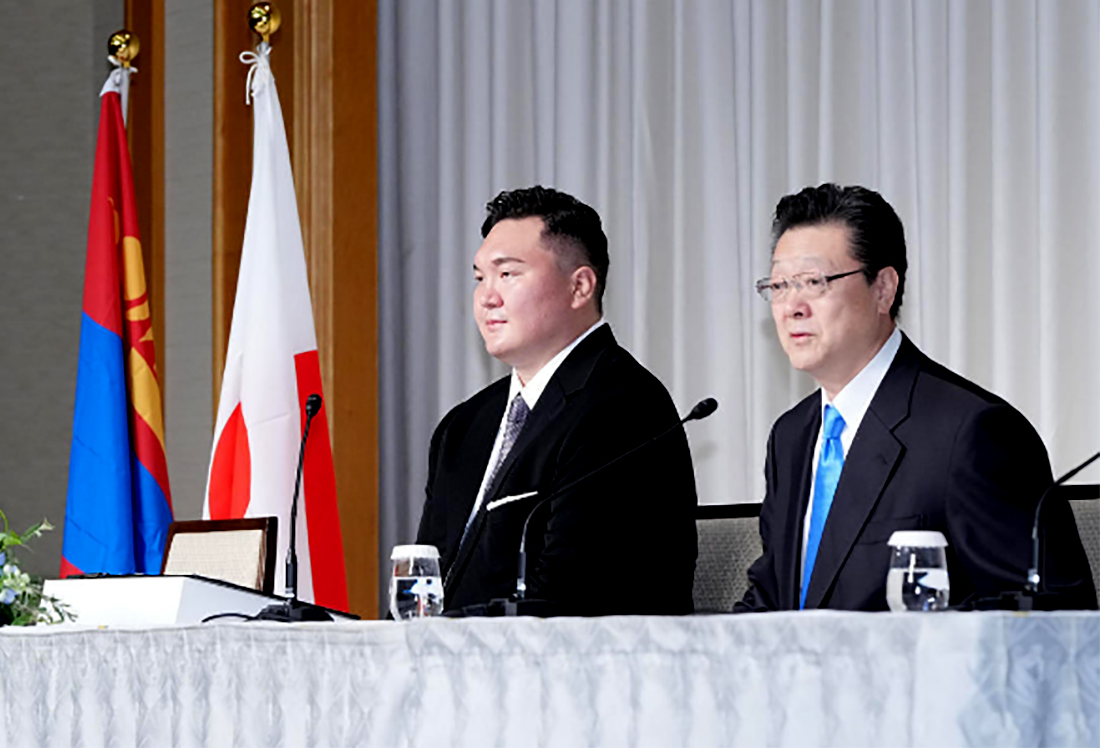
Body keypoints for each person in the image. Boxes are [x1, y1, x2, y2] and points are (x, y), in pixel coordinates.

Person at [735, 183, 1096, 612]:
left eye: (813, 282)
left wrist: (907, 642)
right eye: (778, 285)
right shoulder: (791, 436)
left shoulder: (972, 433)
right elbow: (772, 599)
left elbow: (1050, 609)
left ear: (883, 288)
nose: (791, 306)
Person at [416, 186, 698, 616]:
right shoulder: (463, 426)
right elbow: (424, 582)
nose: (487, 297)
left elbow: (570, 595)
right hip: (453, 653)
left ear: (580, 286)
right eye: (479, 278)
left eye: (507, 274)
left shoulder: (622, 407)